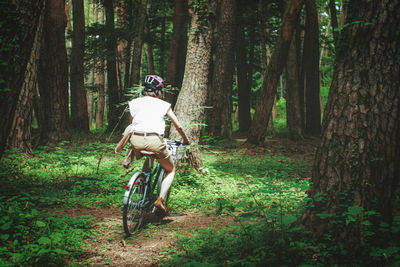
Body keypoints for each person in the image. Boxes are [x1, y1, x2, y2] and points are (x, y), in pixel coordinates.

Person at [122, 74, 189, 212]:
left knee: (148, 157)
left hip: (136, 140)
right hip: (154, 142)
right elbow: (178, 126)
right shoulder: (163, 105)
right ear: (157, 91)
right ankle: (160, 200)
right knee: (170, 170)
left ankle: (142, 184)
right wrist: (185, 139)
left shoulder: (135, 102)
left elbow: (132, 124)